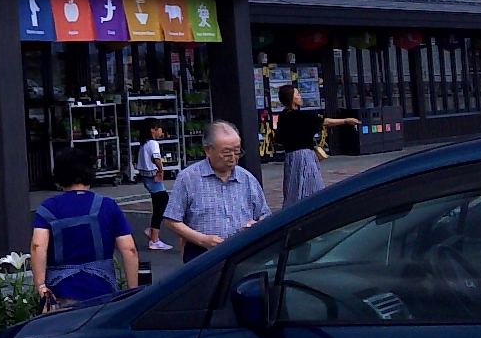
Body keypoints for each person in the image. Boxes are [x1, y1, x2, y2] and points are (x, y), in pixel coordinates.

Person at [31, 148, 139, 306]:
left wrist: (41, 285)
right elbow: (129, 249)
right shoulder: (108, 205)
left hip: (61, 291)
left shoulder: (48, 207)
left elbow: (37, 245)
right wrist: (132, 291)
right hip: (101, 289)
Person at [163, 121, 271, 262]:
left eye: (237, 152)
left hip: (242, 254)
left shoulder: (247, 178)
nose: (233, 158)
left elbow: (265, 214)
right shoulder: (188, 178)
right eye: (226, 153)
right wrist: (202, 240)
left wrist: (256, 225)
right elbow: (171, 220)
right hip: (202, 255)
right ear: (208, 150)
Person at [273, 84, 355, 207]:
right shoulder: (299, 116)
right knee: (313, 186)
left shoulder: (283, 116)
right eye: (297, 94)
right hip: (304, 156)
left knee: (293, 189)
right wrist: (345, 121)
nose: (300, 97)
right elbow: (323, 122)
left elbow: (279, 138)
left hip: (290, 157)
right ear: (291, 98)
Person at [134, 119, 173, 251]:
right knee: (162, 204)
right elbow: (156, 158)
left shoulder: (144, 144)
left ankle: (153, 231)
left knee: (159, 204)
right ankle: (154, 238)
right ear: (153, 129)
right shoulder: (153, 143)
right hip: (153, 177)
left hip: (146, 177)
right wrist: (161, 170)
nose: (161, 131)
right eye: (159, 128)